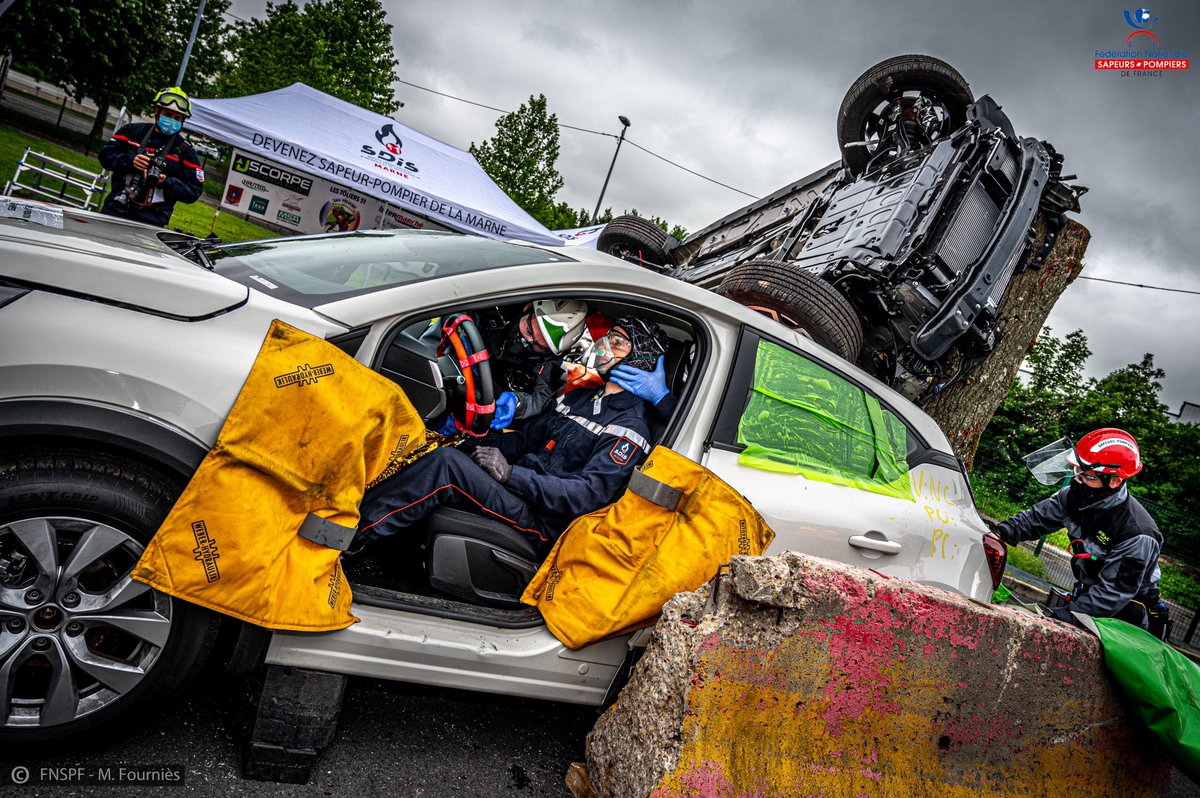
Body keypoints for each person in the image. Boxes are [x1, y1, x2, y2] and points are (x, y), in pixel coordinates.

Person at [357, 316, 670, 549]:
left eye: (618, 342)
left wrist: (511, 474)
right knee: (451, 449)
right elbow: (522, 440)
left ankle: (353, 536)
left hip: (542, 520)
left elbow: (587, 496)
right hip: (519, 492)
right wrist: (470, 438)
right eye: (609, 337)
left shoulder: (630, 427)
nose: (604, 346)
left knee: (446, 465)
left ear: (640, 360)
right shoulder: (581, 398)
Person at [993, 428, 1166, 635]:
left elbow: (1112, 593)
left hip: (1124, 621)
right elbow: (1034, 520)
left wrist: (1065, 616)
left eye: (1086, 476)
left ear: (1114, 481)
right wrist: (998, 532)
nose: (1077, 481)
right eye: (1077, 472)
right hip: (1089, 597)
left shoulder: (1136, 533)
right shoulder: (1075, 497)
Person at [99, 86, 204, 228]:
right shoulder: (131, 131)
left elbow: (194, 191)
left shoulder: (186, 151)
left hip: (152, 222)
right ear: (157, 110)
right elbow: (105, 155)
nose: (171, 120)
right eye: (168, 114)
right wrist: (131, 161)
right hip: (115, 209)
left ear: (183, 120)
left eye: (177, 118)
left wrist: (166, 181)